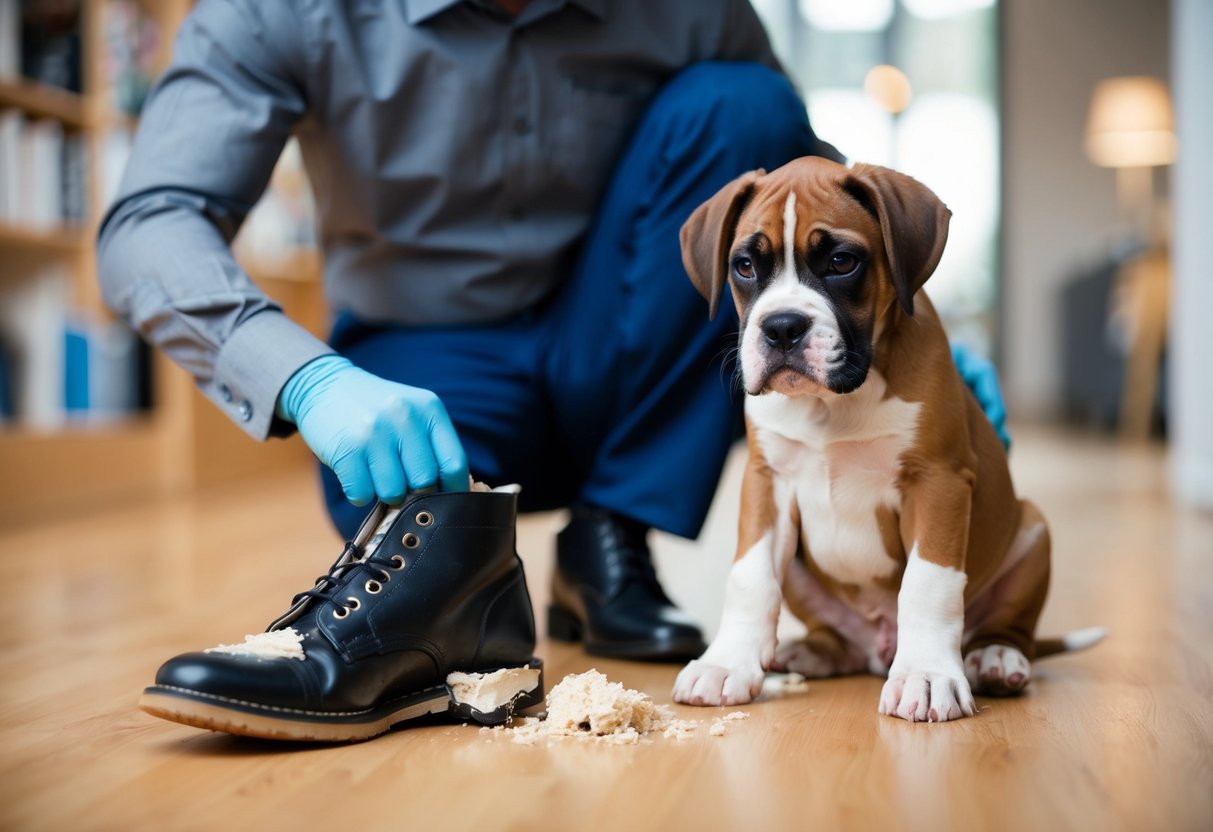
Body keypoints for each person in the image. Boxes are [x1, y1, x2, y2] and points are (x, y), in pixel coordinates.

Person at [102, 0, 1008, 740]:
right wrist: (307, 379)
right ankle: (454, 576)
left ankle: (609, 532)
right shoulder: (287, 9)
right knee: (426, 586)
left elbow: (791, 174)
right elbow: (148, 222)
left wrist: (895, 331)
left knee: (742, 103)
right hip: (424, 369)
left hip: (620, 341)